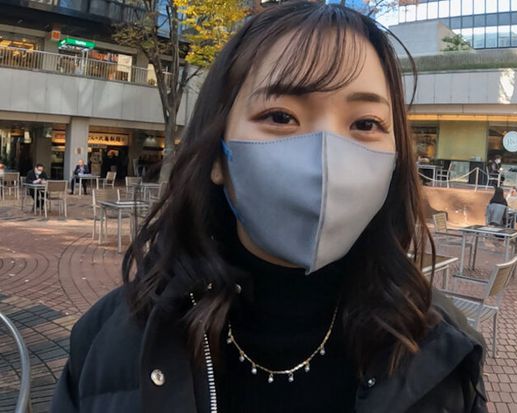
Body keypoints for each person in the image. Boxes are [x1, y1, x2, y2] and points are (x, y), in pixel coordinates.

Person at [51, 4, 487, 413]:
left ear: (396, 160)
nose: (325, 159)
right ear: (217, 155)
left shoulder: (440, 351)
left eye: (365, 123)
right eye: (280, 116)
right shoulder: (108, 341)